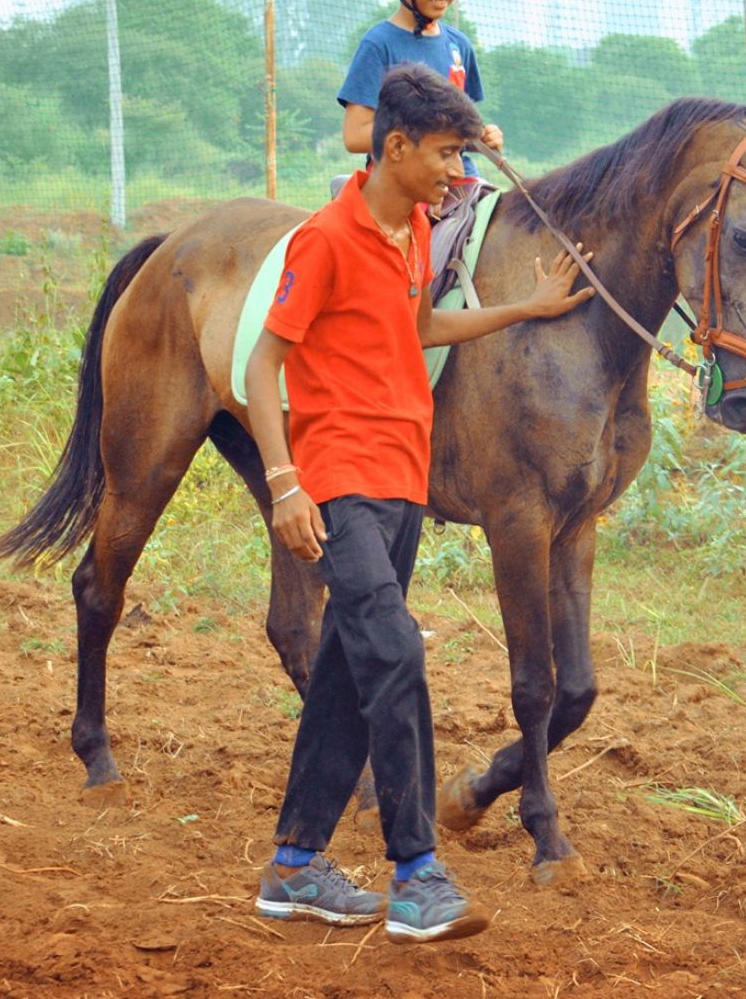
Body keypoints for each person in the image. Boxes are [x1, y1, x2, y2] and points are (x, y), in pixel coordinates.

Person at [246, 62, 593, 943]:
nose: (455, 173)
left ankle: (294, 866)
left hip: (401, 482)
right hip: (338, 484)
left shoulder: (409, 237)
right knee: (396, 652)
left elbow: (419, 330)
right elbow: (262, 366)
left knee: (342, 677)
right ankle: (417, 872)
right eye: (444, 156)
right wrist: (285, 483)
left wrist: (526, 306)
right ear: (394, 147)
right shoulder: (323, 242)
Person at [339, 0, 504, 202]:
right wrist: (428, 132)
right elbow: (354, 136)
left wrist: (481, 136)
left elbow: (463, 128)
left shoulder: (459, 46)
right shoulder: (379, 44)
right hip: (403, 189)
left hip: (460, 181)